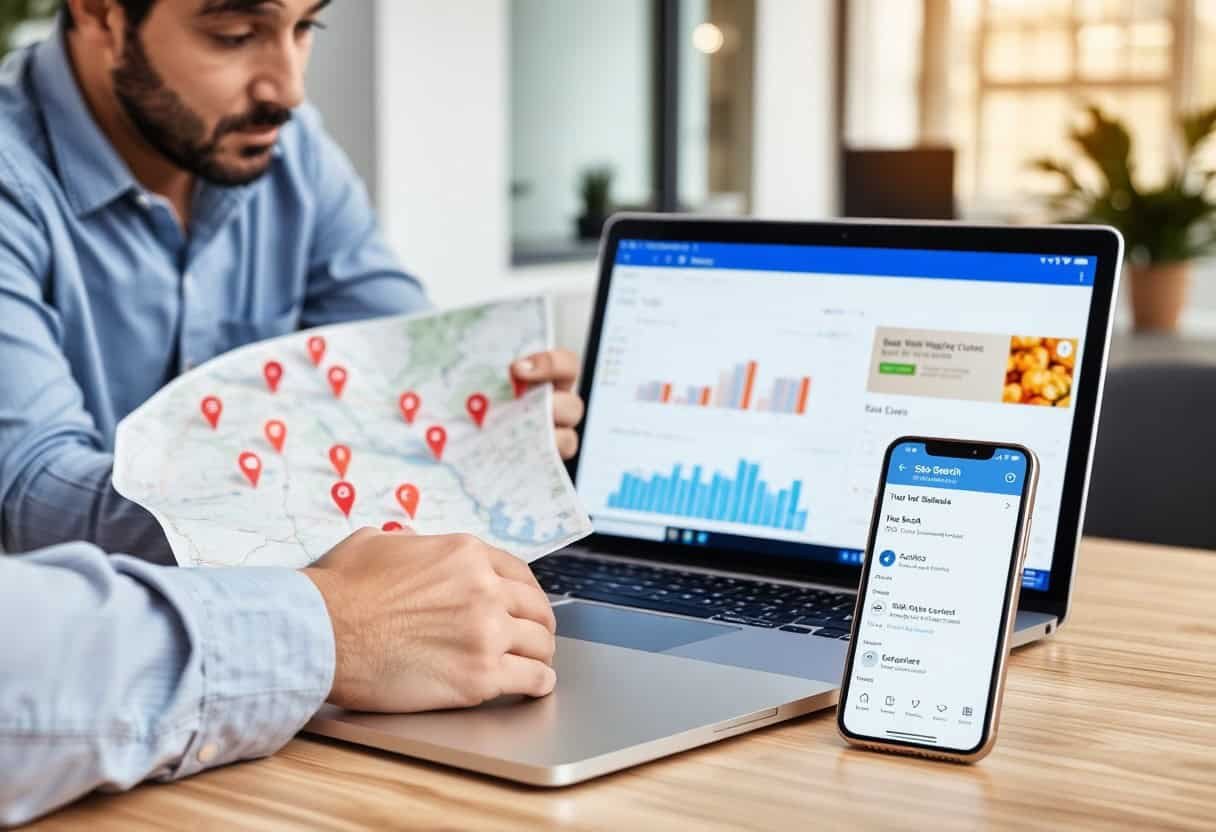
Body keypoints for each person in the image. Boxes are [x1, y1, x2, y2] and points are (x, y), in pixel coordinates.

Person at [0, 0, 583, 824]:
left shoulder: (285, 148)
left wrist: (490, 413)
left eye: (307, 27)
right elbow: (32, 495)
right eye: (235, 35)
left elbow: (400, 369)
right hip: (89, 718)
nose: (289, 87)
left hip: (282, 716)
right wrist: (368, 505)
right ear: (100, 11)